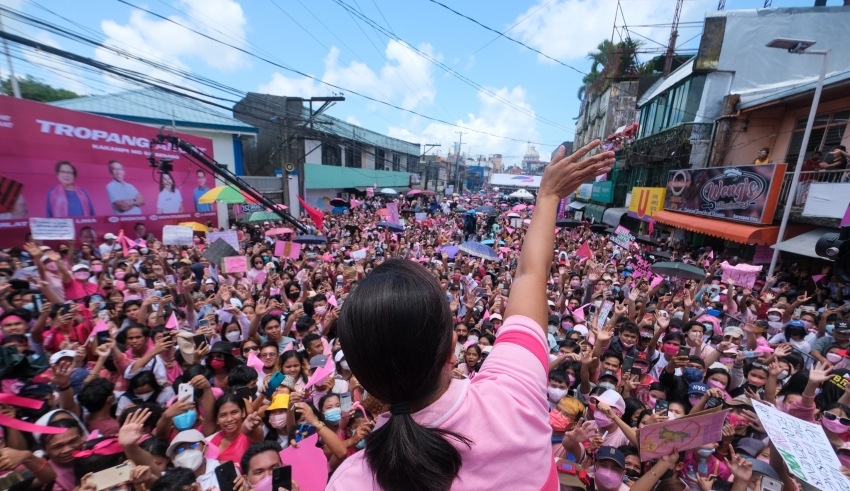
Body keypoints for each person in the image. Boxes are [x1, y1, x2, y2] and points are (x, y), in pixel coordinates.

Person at [326, 140, 615, 491]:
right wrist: (549, 195)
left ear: (361, 376)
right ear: (452, 347)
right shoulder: (513, 399)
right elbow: (530, 274)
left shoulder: (351, 481)